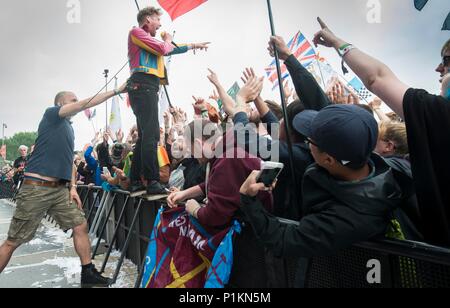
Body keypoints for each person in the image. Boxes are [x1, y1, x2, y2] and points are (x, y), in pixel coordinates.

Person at [313, 18, 450, 247]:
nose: (438, 68)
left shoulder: (440, 115)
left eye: (445, 61)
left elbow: (376, 78)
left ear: (390, 146)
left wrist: (338, 43)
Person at [239, 104, 421, 261]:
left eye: (309, 140)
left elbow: (283, 240)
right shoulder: (359, 160)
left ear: (328, 159)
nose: (306, 144)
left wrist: (249, 199)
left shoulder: (349, 220)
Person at [0, 82, 127, 288]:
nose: (77, 103)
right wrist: (116, 90)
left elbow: (69, 162)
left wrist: (73, 187)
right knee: (14, 241)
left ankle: (88, 272)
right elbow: (84, 104)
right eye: (73, 100)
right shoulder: (51, 115)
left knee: (80, 225)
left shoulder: (69, 129)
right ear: (60, 103)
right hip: (37, 188)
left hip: (59, 191)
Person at [127, 6, 210, 196]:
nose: (160, 23)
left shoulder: (148, 40)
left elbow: (169, 49)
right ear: (147, 19)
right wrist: (167, 40)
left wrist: (193, 45)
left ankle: (135, 182)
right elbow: (165, 48)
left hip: (145, 88)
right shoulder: (136, 32)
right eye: (157, 19)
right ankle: (151, 181)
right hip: (143, 86)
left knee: (144, 135)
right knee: (152, 135)